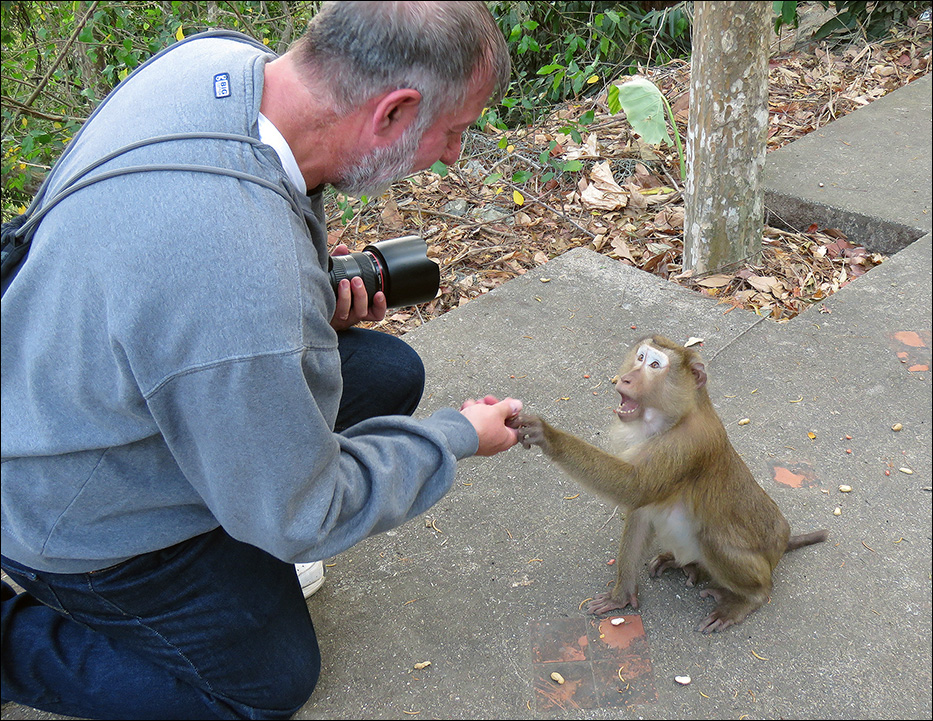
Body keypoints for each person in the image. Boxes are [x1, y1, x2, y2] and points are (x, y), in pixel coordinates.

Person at [0, 2, 516, 718]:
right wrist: (457, 437)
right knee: (266, 685)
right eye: (453, 130)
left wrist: (311, 287)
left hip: (57, 381)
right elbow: (303, 514)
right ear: (393, 112)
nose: (454, 154)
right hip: (67, 506)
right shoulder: (242, 281)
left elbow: (202, 276)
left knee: (390, 373)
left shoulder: (214, 65)